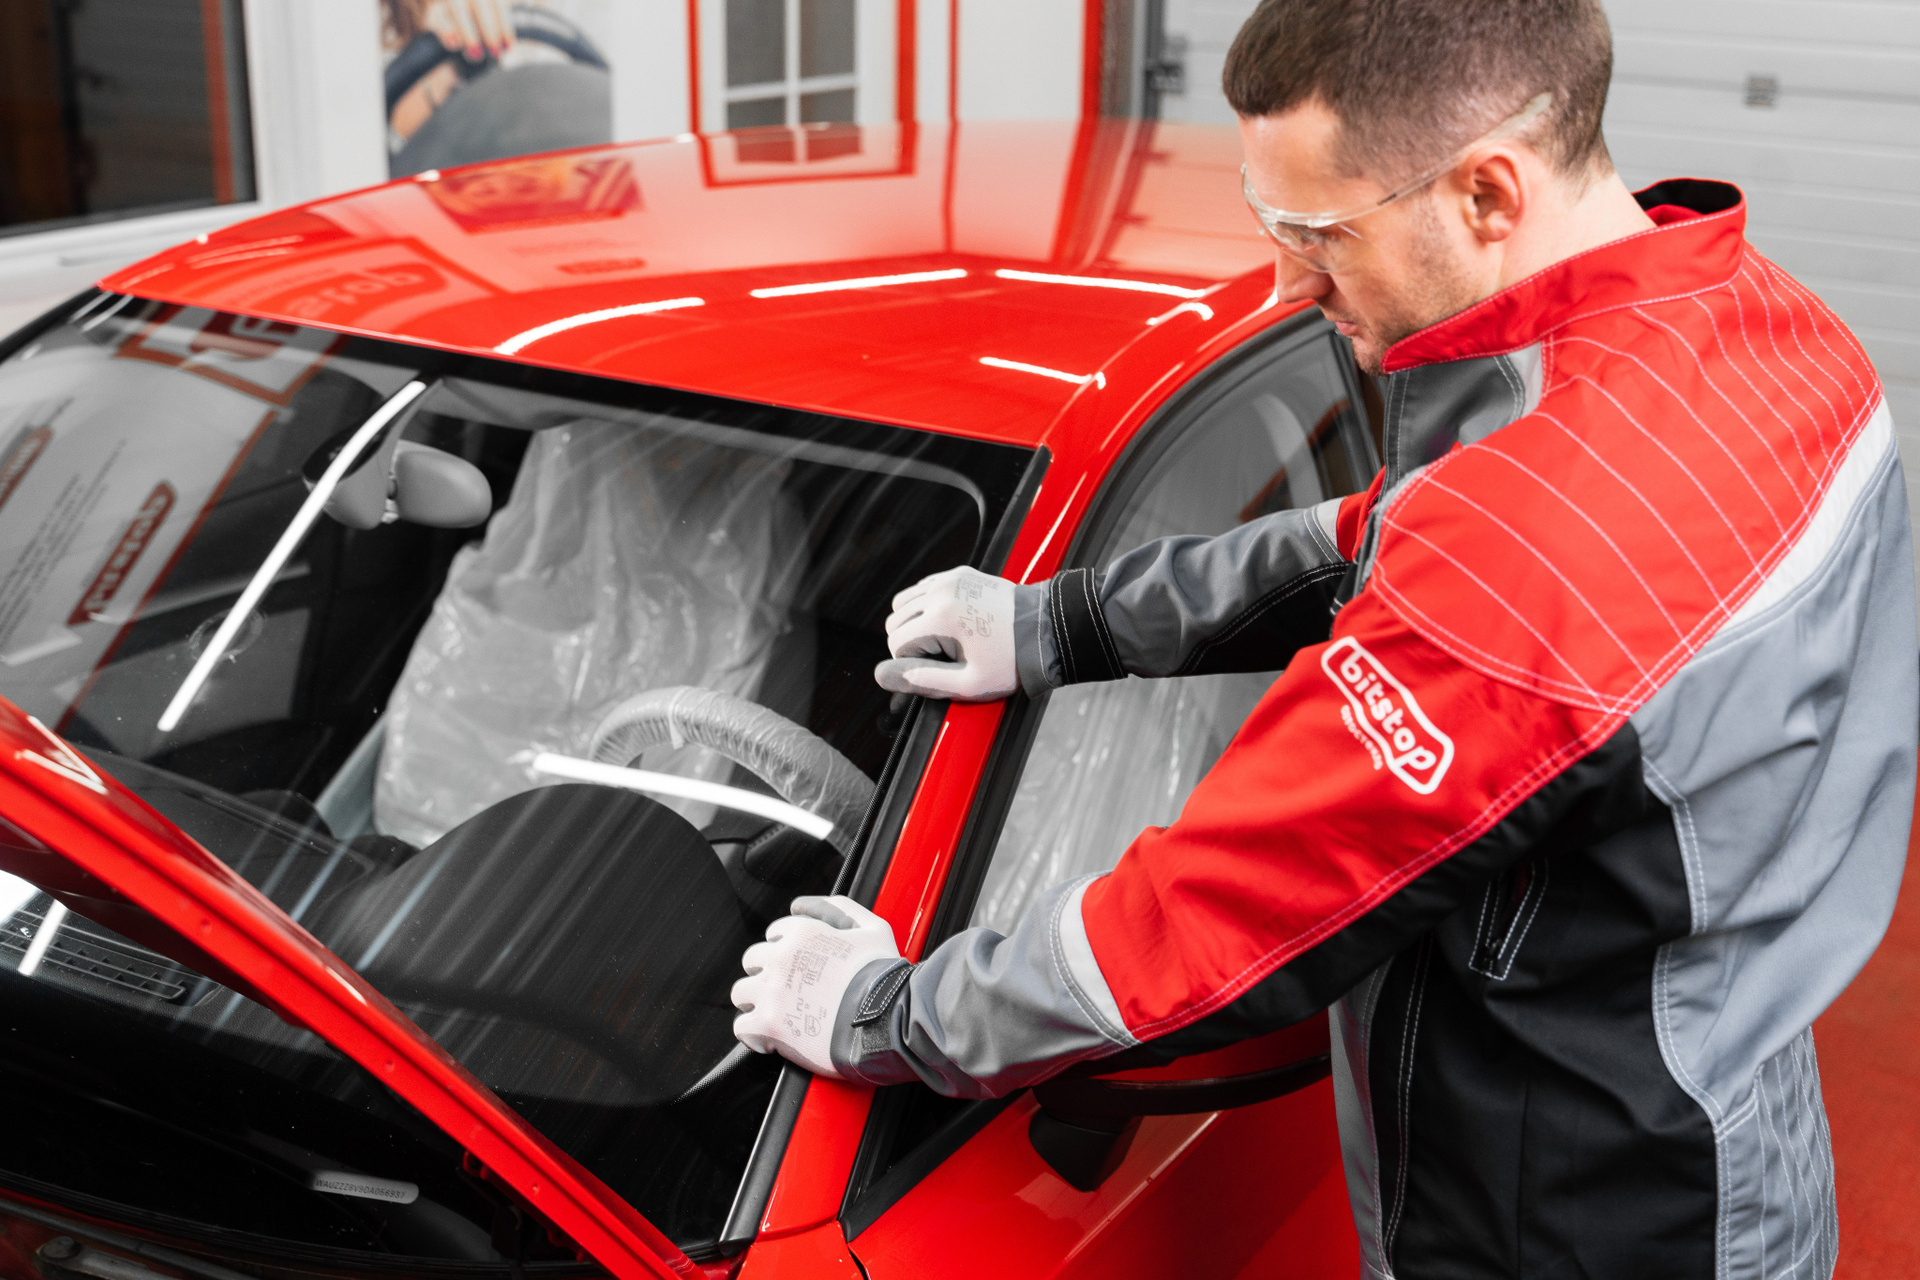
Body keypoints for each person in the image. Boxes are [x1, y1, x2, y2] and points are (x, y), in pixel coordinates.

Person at [731, 0, 1917, 1274]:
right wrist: (1065, 621)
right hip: (1737, 1113)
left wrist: (890, 1013)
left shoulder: (1529, 559)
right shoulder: (1779, 335)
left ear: (1488, 193)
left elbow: (1213, 914)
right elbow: (1392, 533)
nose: (1291, 288)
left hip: (1569, 1221)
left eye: (1317, 235)